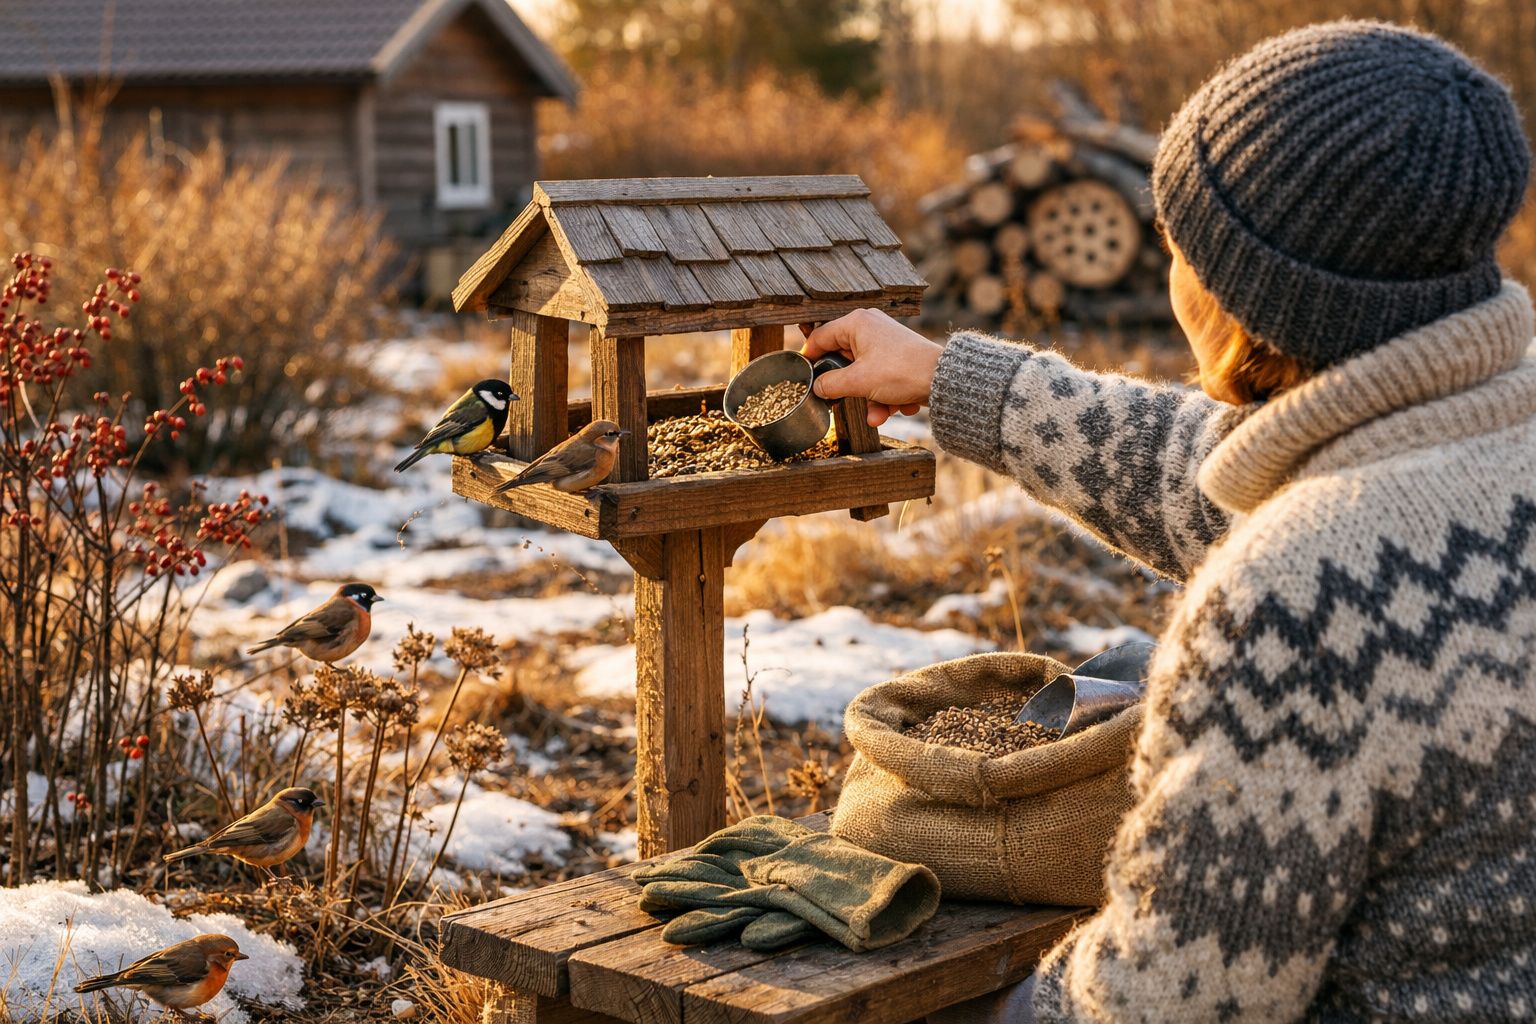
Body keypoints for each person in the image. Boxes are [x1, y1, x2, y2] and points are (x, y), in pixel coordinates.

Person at [805, 20, 1536, 1022]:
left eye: (1181, 242)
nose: (1170, 267)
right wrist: (947, 378)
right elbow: (1229, 472)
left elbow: (1169, 1002)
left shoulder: (1300, 597)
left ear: (1247, 300)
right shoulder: (1479, 443)